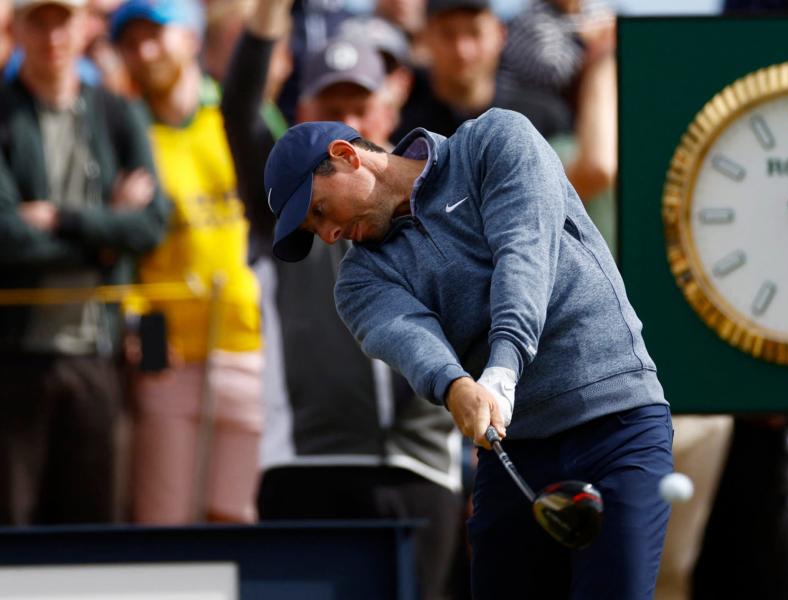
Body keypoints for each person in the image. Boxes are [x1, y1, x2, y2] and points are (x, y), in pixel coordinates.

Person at [264, 109, 674, 598]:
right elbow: (412, 342)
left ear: (346, 156)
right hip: (515, 452)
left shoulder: (494, 140)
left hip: (617, 420)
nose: (327, 234)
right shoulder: (358, 281)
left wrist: (503, 366)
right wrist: (456, 385)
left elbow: (522, 253)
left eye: (319, 211)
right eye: (314, 229)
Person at [221, 3, 463, 598]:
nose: (348, 122)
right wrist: (268, 17)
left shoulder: (440, 189)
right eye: (332, 110)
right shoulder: (279, 202)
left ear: (389, 108)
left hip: (422, 468)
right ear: (303, 116)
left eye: (361, 106)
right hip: (305, 469)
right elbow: (237, 106)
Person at [0, 0, 168, 525]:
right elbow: (6, 240)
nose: (52, 35)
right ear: (17, 28)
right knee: (14, 529)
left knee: (92, 534)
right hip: (14, 357)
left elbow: (151, 225)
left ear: (83, 26)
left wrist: (62, 220)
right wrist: (105, 235)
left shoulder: (118, 113)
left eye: (63, 19)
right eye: (39, 20)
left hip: (100, 354)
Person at [111, 0, 264, 524]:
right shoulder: (125, 134)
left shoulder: (239, 118)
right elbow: (121, 254)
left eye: (156, 34)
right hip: (166, 358)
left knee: (237, 520)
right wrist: (140, 329)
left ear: (192, 36)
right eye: (129, 42)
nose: (143, 51)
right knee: (163, 523)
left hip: (250, 347)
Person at [391, 0, 569, 144]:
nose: (462, 50)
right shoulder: (397, 119)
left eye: (475, 33)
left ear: (500, 35)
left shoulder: (544, 118)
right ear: (425, 37)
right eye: (448, 34)